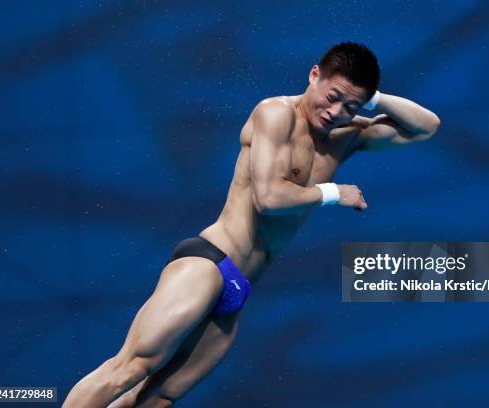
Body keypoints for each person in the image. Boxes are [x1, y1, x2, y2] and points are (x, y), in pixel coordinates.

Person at [63, 41, 440, 407]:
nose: (335, 110)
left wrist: (368, 100)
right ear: (314, 75)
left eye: (351, 104)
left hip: (238, 290)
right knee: (129, 370)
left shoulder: (346, 134)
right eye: (333, 95)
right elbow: (270, 197)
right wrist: (333, 193)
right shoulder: (275, 114)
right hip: (208, 265)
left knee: (160, 397)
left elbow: (426, 126)